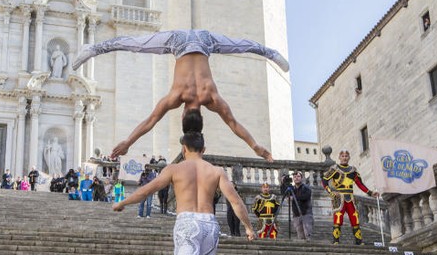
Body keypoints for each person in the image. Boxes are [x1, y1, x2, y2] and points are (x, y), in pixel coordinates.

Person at [112, 128, 255, 255]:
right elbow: (236, 201)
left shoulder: (174, 169)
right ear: (203, 149)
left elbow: (147, 190)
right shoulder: (217, 171)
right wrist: (249, 227)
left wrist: (123, 202)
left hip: (187, 223)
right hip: (210, 225)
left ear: (183, 148)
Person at [72, 30, 289, 162]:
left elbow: (234, 125)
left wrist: (256, 146)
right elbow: (150, 122)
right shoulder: (177, 96)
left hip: (203, 41)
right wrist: (128, 142)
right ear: (183, 113)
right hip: (177, 42)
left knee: (241, 46)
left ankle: (271, 53)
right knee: (137, 45)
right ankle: (92, 49)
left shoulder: (211, 98)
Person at [322, 149, 379, 245]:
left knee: (355, 219)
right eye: (342, 156)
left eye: (346, 156)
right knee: (338, 219)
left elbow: (360, 184)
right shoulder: (334, 169)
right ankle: (336, 241)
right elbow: (324, 180)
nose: (344, 158)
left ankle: (359, 241)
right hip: (339, 198)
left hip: (350, 198)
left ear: (349, 158)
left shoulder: (353, 170)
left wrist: (370, 193)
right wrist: (331, 192)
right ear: (339, 158)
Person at [289, 171, 313, 240]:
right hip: (296, 215)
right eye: (295, 177)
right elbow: (284, 193)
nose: (296, 178)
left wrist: (294, 198)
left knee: (307, 234)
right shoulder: (292, 189)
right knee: (300, 237)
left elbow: (305, 197)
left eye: (298, 176)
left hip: (306, 214)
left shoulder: (306, 188)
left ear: (301, 178)